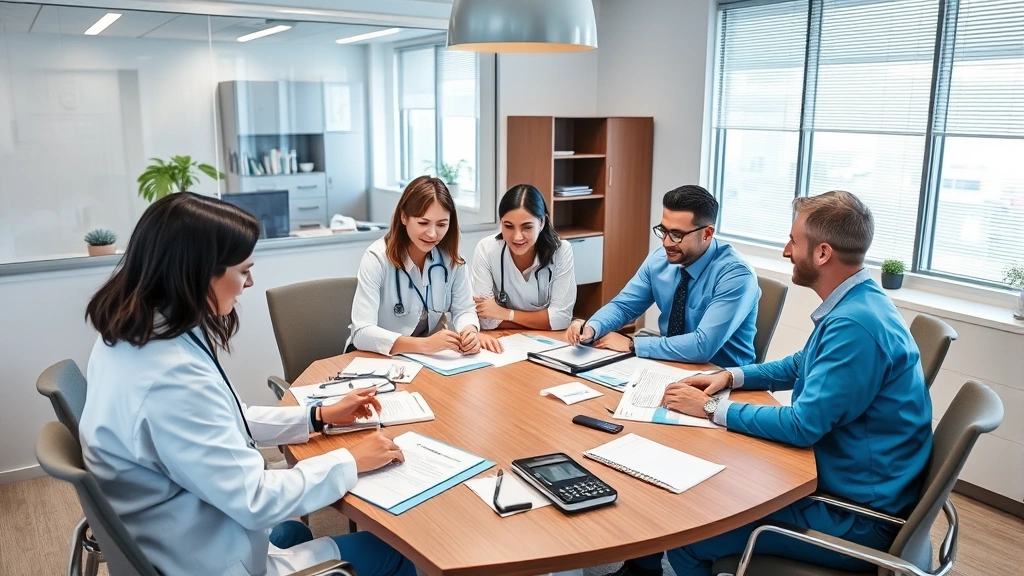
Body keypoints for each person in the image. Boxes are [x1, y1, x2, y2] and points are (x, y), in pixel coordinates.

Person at [79, 192, 416, 576]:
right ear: (198, 271)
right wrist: (350, 461)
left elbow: (223, 420)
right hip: (211, 557)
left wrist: (318, 416)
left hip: (190, 528)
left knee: (291, 531)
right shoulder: (170, 380)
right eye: (243, 270)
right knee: (402, 553)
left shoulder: (129, 337)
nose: (250, 281)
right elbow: (255, 499)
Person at [607, 191, 934, 576]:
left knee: (689, 536)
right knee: (708, 489)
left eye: (794, 241)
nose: (785, 251)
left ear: (823, 253)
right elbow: (801, 363)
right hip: (843, 480)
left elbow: (801, 425)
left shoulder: (854, 326)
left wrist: (711, 409)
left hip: (854, 516)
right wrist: (730, 376)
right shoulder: (861, 300)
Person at [566, 185, 759, 366]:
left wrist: (633, 345)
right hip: (667, 364)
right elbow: (624, 306)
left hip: (722, 378)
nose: (666, 243)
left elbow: (702, 346)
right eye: (663, 231)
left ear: (707, 234)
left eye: (676, 235)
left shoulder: (736, 275)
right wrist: (593, 327)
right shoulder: (660, 260)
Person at [348, 176, 481, 356]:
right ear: (404, 217)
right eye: (423, 223)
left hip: (427, 360)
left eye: (442, 224)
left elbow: (464, 309)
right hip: (377, 356)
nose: (432, 233)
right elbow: (361, 332)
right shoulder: (377, 258)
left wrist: (470, 331)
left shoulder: (452, 260)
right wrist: (424, 345)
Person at [471, 184, 576, 352]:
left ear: (542, 222)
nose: (517, 236)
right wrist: (543, 319)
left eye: (527, 227)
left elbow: (561, 319)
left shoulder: (561, 251)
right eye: (509, 226)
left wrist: (505, 314)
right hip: (503, 343)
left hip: (546, 343)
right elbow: (486, 320)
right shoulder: (487, 249)